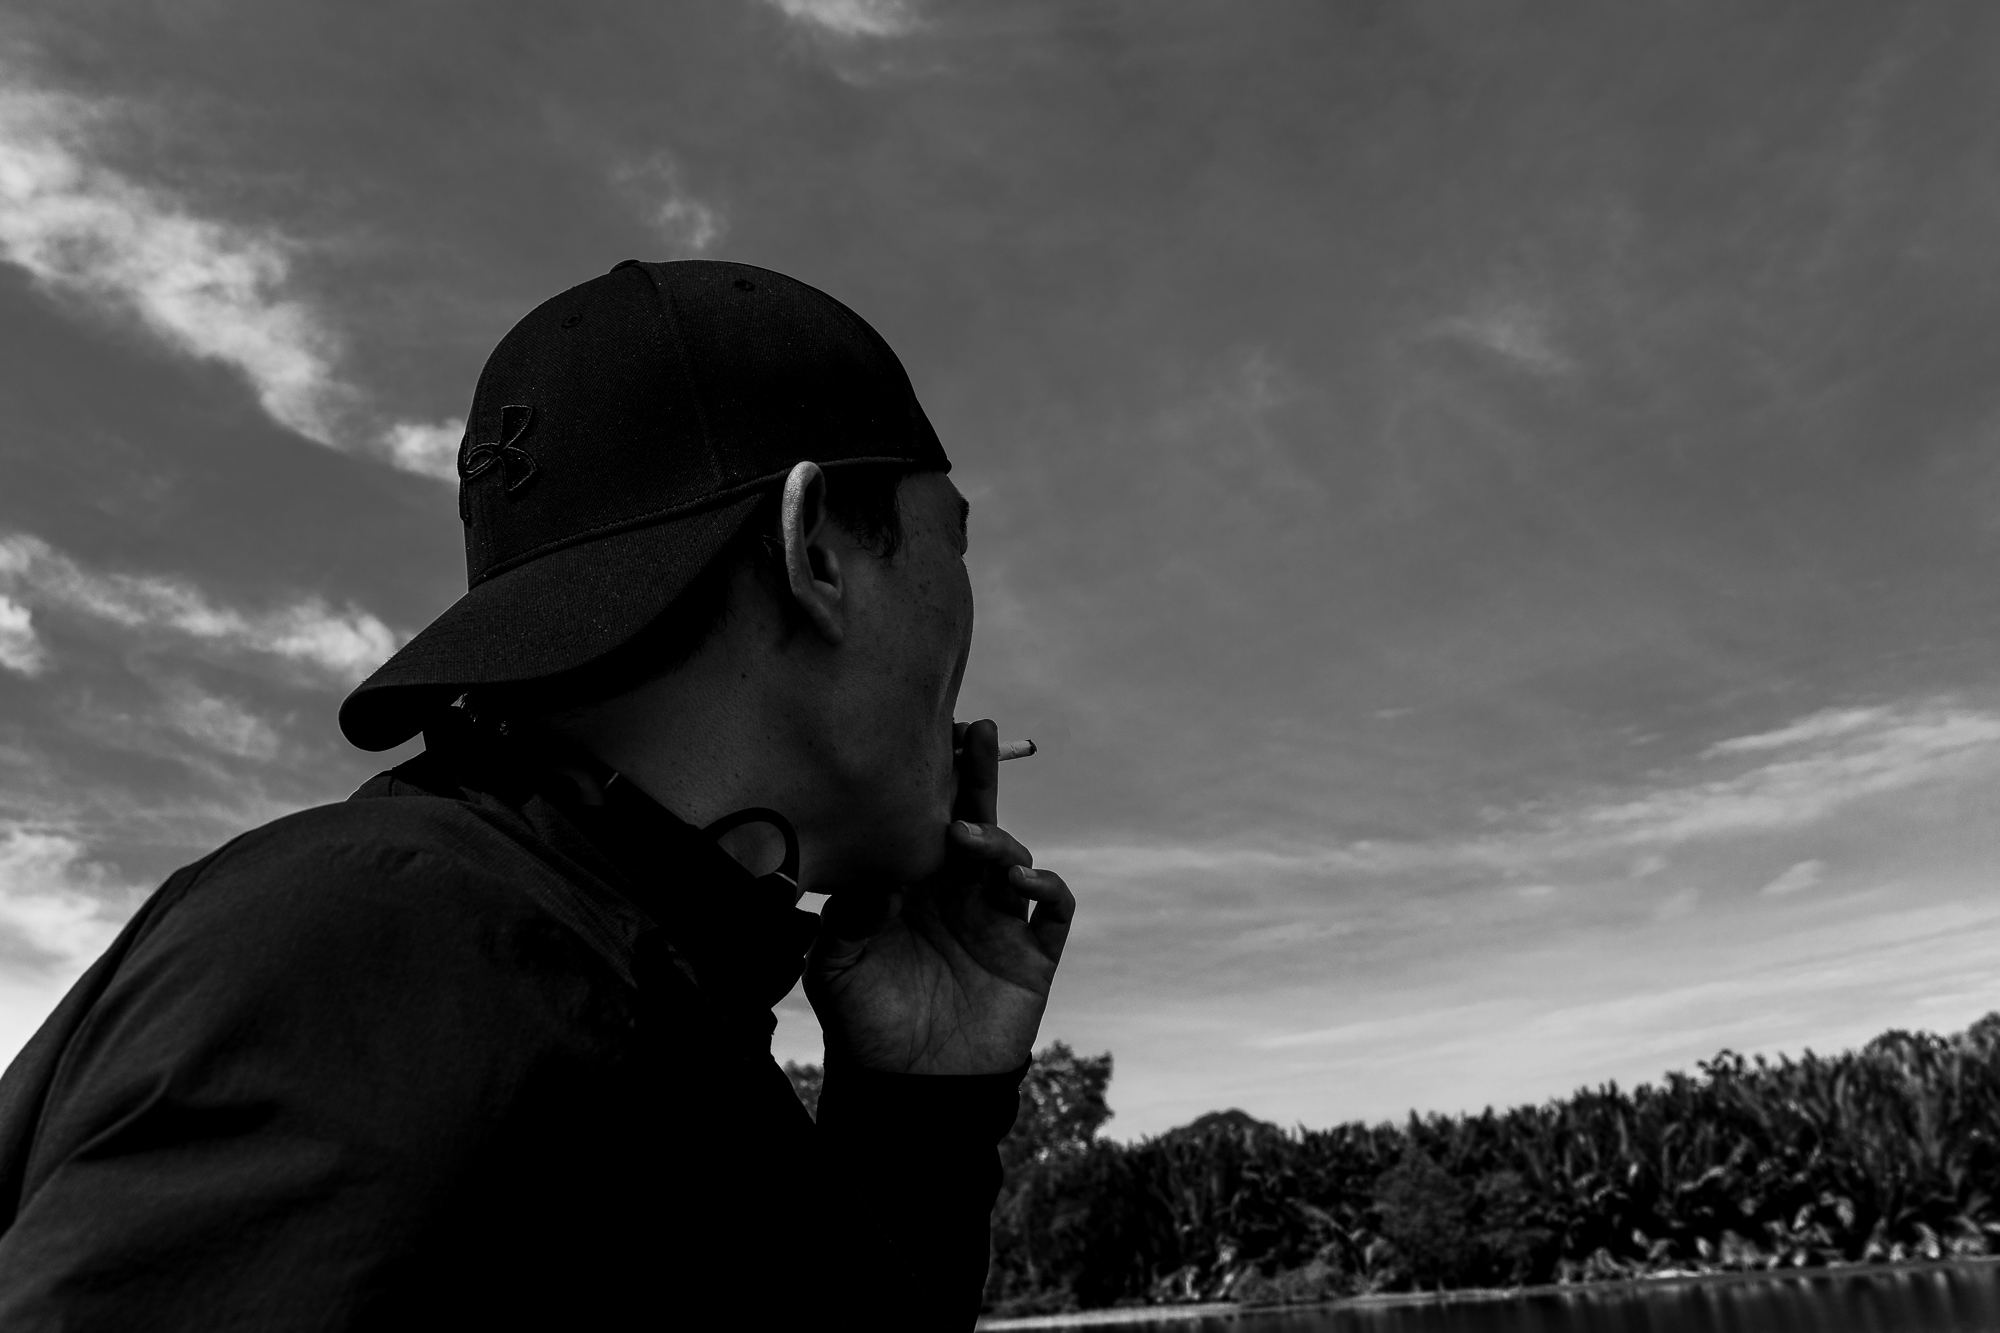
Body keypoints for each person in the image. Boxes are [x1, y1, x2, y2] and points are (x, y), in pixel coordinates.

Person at [0, 259, 1074, 1329]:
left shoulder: (586, 973)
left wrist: (916, 1119)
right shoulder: (399, 952)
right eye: (955, 539)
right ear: (818, 553)